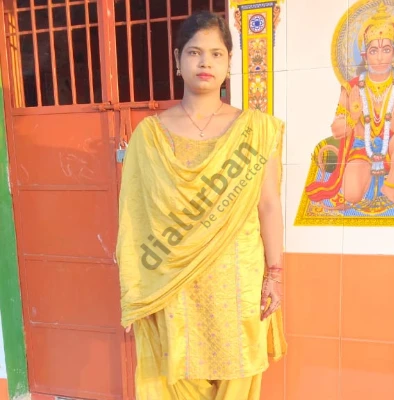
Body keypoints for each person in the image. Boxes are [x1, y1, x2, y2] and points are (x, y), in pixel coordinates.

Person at [116, 11, 286, 400]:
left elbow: (268, 205)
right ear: (178, 60)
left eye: (216, 53)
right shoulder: (149, 136)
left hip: (238, 279)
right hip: (173, 281)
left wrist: (274, 274)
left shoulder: (257, 129)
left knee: (238, 372)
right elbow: (134, 218)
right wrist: (135, 288)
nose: (205, 62)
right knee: (177, 371)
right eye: (194, 52)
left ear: (229, 62)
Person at [306, 2, 394, 205]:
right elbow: (337, 130)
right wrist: (353, 116)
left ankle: (391, 185)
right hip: (362, 148)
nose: (380, 57)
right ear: (365, 56)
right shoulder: (352, 87)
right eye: (373, 51)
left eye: (386, 49)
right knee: (351, 194)